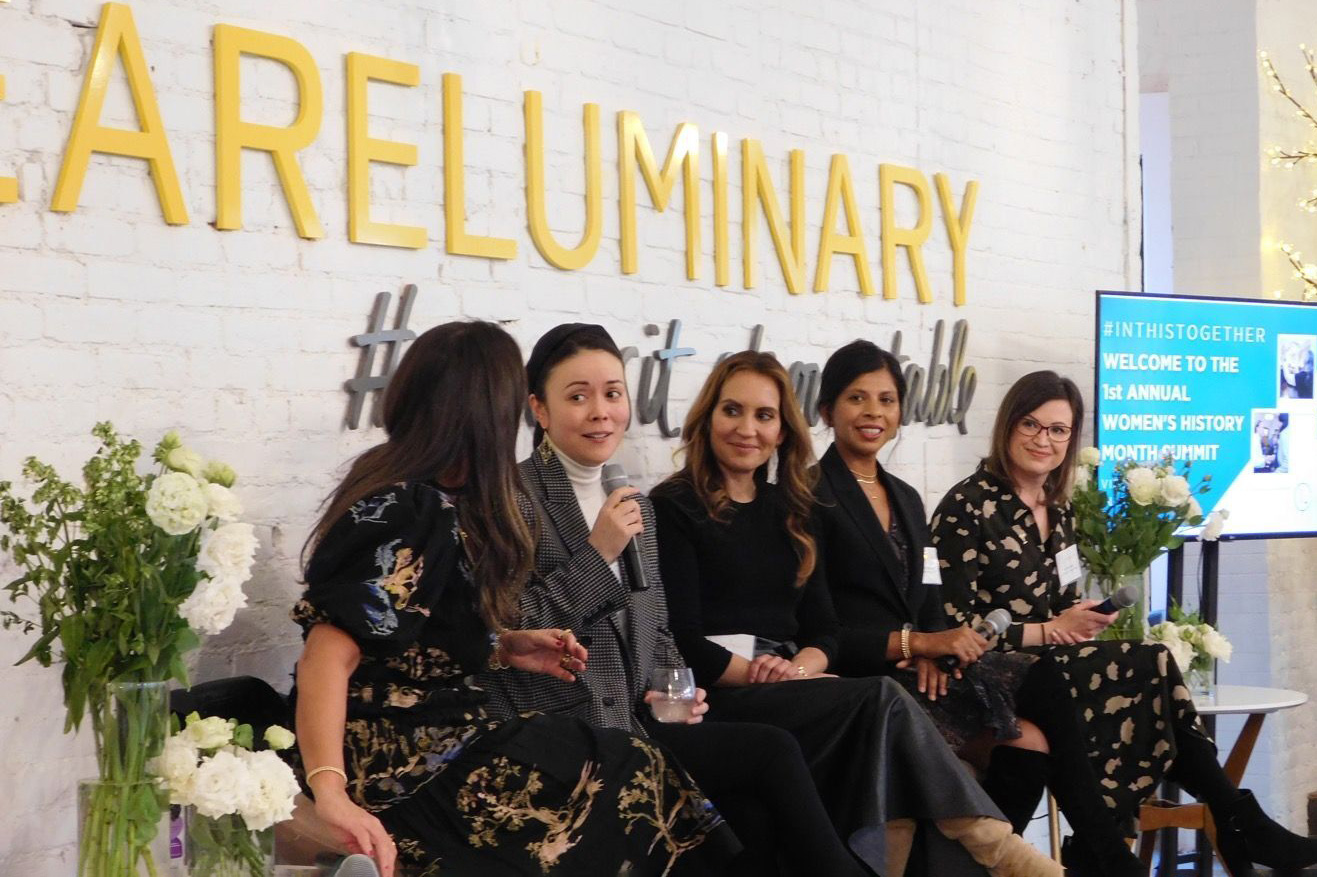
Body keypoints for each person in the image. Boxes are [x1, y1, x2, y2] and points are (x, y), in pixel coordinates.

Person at [289, 321, 737, 877]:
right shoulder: (406, 505)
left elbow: (418, 633)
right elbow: (329, 654)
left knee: (633, 770)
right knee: (626, 774)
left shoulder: (442, 500)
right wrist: (329, 791)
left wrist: (504, 646)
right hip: (404, 753)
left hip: (449, 729)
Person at [479, 322, 869, 877]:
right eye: (578, 396)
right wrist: (597, 554)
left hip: (642, 721)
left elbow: (658, 630)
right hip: (564, 731)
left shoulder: (631, 500)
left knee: (752, 817)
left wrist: (675, 692)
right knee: (772, 753)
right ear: (539, 410)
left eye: (612, 394)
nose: (600, 411)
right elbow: (506, 633)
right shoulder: (510, 498)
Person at [651, 350, 1062, 877]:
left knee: (890, 728)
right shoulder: (673, 505)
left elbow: (824, 629)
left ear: (782, 431)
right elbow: (683, 637)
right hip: (726, 691)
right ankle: (998, 849)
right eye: (733, 411)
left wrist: (798, 669)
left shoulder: (789, 509)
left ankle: (907, 860)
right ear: (708, 418)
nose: (747, 429)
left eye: (764, 415)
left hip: (794, 683)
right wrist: (765, 675)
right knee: (880, 697)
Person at [931, 369, 1317, 877]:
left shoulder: (1060, 508)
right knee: (1151, 667)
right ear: (1007, 427)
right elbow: (954, 624)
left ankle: (1138, 843)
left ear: (1071, 439)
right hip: (989, 674)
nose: (1043, 440)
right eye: (1031, 425)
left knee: (1150, 675)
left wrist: (1079, 620)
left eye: (1058, 430)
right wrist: (1048, 631)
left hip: (1051, 665)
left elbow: (1059, 608)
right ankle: (1226, 823)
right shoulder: (968, 504)